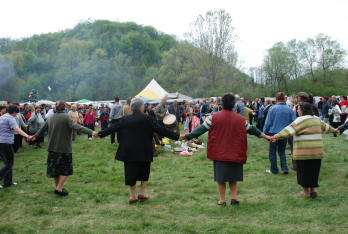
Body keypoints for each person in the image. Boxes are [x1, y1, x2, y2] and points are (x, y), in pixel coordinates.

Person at [184, 93, 271, 205]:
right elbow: (252, 129)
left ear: (222, 103)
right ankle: (234, 198)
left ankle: (222, 200)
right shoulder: (241, 119)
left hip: (219, 151)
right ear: (234, 104)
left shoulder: (214, 117)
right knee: (233, 176)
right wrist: (266, 136)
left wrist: (187, 136)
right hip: (235, 151)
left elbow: (201, 128)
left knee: (221, 178)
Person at [96, 98, 182, 204]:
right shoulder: (148, 119)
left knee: (130, 172)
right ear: (141, 108)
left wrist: (99, 133)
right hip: (144, 149)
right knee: (144, 171)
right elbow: (160, 129)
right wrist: (178, 136)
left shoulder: (125, 119)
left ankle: (132, 197)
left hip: (129, 150)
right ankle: (141, 193)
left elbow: (112, 128)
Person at [270, 102, 338, 197]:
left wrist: (276, 137)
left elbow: (288, 131)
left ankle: (306, 193)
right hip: (317, 151)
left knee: (303, 172)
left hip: (304, 151)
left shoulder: (300, 120)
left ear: (302, 110)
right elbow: (326, 128)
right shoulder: (317, 119)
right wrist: (335, 130)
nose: (297, 111)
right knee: (314, 171)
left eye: (298, 109)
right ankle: (313, 190)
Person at [32, 101, 97, 196]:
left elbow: (43, 129)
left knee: (55, 170)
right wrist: (91, 132)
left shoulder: (51, 117)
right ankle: (58, 188)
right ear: (64, 108)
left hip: (52, 147)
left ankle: (58, 188)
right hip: (64, 148)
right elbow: (77, 126)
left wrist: (35, 136)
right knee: (66, 169)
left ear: (55, 108)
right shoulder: (66, 117)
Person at [263, 92, 297, 174]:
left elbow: (268, 122)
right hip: (284, 133)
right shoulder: (289, 109)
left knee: (272, 151)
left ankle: (274, 169)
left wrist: (264, 133)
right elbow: (294, 121)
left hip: (273, 133)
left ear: (276, 99)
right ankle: (284, 167)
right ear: (285, 99)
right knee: (282, 151)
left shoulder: (272, 109)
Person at [0, 105, 31, 189]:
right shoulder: (10, 118)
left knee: (7, 163)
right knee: (9, 163)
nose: (16, 115)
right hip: (5, 143)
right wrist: (27, 136)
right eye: (16, 113)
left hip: (1, 142)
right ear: (14, 112)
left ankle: (8, 182)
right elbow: (16, 129)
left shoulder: (2, 117)